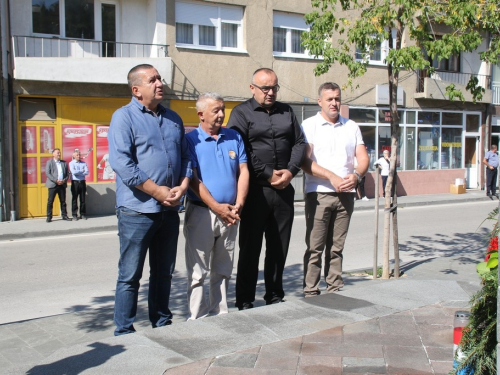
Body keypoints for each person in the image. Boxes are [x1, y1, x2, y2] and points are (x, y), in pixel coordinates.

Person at [108, 64, 192, 335]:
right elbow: (122, 163)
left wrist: (182, 185)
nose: (160, 83)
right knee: (130, 275)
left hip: (169, 210)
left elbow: (185, 158)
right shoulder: (124, 118)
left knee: (164, 273)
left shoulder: (174, 119)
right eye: (152, 80)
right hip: (137, 211)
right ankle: (124, 331)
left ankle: (162, 325)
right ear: (136, 90)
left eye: (159, 78)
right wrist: (158, 192)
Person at [227, 68, 306, 309]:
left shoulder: (287, 111)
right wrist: (269, 173)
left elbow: (300, 143)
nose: (270, 92)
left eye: (274, 87)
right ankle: (244, 300)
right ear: (252, 88)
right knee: (250, 249)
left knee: (278, 247)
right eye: (265, 88)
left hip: (283, 190)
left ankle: (274, 295)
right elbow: (240, 149)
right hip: (254, 193)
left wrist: (290, 171)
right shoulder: (241, 113)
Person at [184, 93, 249, 320]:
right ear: (201, 114)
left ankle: (220, 315)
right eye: (216, 110)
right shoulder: (191, 140)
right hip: (202, 213)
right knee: (198, 271)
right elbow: (192, 179)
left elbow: (243, 172)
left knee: (223, 269)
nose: (221, 114)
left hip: (231, 213)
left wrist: (238, 204)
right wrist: (216, 206)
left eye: (223, 109)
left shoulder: (234, 137)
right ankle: (197, 317)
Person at [301, 82, 369, 296]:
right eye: (329, 99)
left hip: (346, 195)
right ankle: (311, 291)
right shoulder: (309, 125)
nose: (334, 103)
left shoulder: (352, 126)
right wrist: (331, 176)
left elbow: (363, 157)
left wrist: (357, 176)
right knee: (315, 248)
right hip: (318, 193)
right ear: (320, 101)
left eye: (337, 98)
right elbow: (305, 161)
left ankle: (335, 289)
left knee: (336, 248)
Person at [45, 148, 72, 222]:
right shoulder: (49, 162)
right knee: (50, 201)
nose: (59, 154)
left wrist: (63, 180)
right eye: (57, 153)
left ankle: (64, 215)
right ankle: (49, 217)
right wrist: (56, 180)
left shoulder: (64, 163)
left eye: (59, 153)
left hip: (62, 185)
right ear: (53, 154)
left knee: (63, 201)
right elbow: (48, 173)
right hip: (53, 185)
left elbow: (67, 174)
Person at [69, 150, 89, 220]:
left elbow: (87, 172)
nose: (78, 156)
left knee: (82, 199)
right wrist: (81, 171)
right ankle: (74, 214)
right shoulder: (71, 163)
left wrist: (79, 172)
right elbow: (73, 172)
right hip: (75, 183)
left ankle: (83, 214)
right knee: (75, 199)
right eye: (77, 155)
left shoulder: (83, 163)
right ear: (73, 156)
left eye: (79, 155)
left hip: (82, 182)